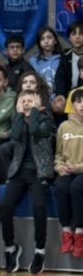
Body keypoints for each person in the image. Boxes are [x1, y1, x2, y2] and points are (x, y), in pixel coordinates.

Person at [0, 89, 56, 275]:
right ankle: (10, 247)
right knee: (5, 206)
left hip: (39, 172)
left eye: (30, 100)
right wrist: (18, 116)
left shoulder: (45, 120)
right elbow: (15, 135)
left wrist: (35, 112)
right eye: (22, 100)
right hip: (18, 172)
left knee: (39, 206)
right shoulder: (18, 120)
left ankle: (40, 250)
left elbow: (34, 130)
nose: (25, 103)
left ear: (39, 103)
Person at [54, 87, 83, 257]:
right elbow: (58, 154)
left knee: (76, 188)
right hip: (68, 170)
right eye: (79, 102)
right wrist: (59, 167)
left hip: (80, 170)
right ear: (72, 105)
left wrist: (78, 167)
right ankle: (66, 232)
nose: (82, 105)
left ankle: (79, 233)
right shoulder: (64, 127)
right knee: (60, 188)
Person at [29, 26, 70, 112]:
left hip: (60, 99)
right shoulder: (33, 61)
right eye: (42, 39)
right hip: (41, 100)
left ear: (55, 40)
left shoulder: (63, 58)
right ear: (39, 42)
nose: (46, 41)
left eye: (49, 38)